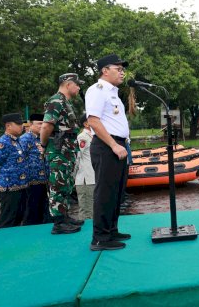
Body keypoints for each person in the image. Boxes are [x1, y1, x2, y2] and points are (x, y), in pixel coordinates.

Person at [85, 53, 131, 251]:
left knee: (117, 192)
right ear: (105, 70)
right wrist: (113, 145)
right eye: (118, 69)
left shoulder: (113, 93)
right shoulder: (97, 90)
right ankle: (100, 238)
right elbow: (94, 121)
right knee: (105, 192)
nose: (122, 72)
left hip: (118, 146)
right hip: (107, 146)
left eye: (123, 69)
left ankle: (111, 230)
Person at [39, 73, 84, 234]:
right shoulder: (56, 100)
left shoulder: (65, 102)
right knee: (57, 184)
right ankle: (58, 222)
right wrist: (43, 145)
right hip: (59, 150)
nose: (79, 87)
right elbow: (46, 126)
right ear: (67, 84)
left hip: (67, 149)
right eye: (77, 84)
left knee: (66, 183)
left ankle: (64, 216)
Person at [0, 113, 28, 228]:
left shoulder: (17, 141)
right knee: (8, 220)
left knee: (18, 218)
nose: (22, 126)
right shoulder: (3, 142)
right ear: (8, 126)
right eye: (18, 124)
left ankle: (13, 243)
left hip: (20, 186)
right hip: (8, 188)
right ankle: (1, 244)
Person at [20, 113, 49, 225]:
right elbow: (21, 159)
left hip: (44, 179)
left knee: (43, 209)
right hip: (32, 181)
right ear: (31, 124)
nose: (41, 126)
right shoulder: (25, 139)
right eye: (39, 124)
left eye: (43, 123)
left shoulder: (42, 138)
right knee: (32, 210)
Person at [74, 114, 95, 220]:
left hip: (93, 176)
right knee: (87, 211)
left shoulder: (93, 135)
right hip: (85, 179)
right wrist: (73, 176)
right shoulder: (82, 137)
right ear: (86, 124)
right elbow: (77, 157)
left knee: (93, 209)